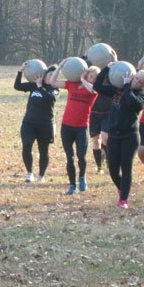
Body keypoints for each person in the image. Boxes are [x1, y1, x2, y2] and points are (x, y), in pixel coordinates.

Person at [93, 67, 144, 209]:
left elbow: (133, 104)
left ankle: (123, 199)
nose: (136, 81)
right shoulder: (116, 90)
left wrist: (126, 86)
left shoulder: (142, 95)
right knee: (112, 168)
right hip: (113, 135)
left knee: (126, 168)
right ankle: (122, 188)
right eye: (136, 77)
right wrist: (107, 68)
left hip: (129, 137)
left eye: (140, 81)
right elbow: (97, 86)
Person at [50, 61, 99, 194]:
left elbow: (92, 89)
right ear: (86, 74)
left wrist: (84, 80)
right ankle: (72, 185)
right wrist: (60, 67)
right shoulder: (71, 84)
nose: (93, 79)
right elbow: (52, 82)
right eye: (91, 76)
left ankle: (82, 177)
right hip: (67, 126)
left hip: (81, 127)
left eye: (95, 78)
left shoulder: (94, 90)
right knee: (69, 157)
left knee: (81, 156)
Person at [14, 63, 59, 183]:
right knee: (27, 145)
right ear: (44, 75)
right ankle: (29, 173)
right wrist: (20, 72)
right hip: (29, 123)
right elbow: (17, 86)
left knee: (43, 150)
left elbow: (48, 99)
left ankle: (41, 175)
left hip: (45, 125)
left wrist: (39, 86)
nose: (52, 77)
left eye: (55, 75)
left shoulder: (54, 89)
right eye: (50, 74)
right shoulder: (34, 85)